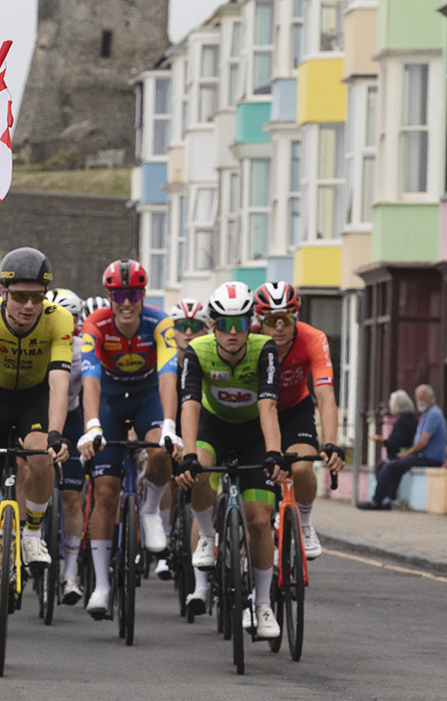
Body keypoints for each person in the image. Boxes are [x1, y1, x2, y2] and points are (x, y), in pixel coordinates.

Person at [175, 281, 286, 639]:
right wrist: (189, 455)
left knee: (258, 521)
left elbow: (268, 404)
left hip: (254, 432)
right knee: (200, 470)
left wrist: (273, 452)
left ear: (251, 323)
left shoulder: (264, 348)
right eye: (225, 324)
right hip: (214, 427)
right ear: (213, 326)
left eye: (240, 324)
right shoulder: (198, 351)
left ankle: (264, 603)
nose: (233, 333)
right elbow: (189, 404)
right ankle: (207, 535)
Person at [77, 259, 181, 618]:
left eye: (133, 294)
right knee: (105, 489)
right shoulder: (96, 324)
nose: (126, 302)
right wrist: (92, 425)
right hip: (108, 399)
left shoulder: (159, 322)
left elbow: (169, 372)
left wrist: (169, 424)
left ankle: (150, 509)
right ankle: (102, 586)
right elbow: (89, 378)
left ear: (143, 295)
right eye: (119, 294)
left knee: (160, 450)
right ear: (109, 295)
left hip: (147, 395)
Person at [0, 248, 71, 570]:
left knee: (40, 455)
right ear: (4, 293)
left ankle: (33, 534)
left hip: (33, 398)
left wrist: (56, 435)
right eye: (21, 296)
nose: (29, 306)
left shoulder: (58, 319)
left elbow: (59, 382)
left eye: (38, 297)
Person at [253, 281, 345, 560]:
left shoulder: (313, 338)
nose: (279, 326)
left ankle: (304, 522)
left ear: (296, 317)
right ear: (259, 321)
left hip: (295, 408)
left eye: (286, 318)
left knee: (303, 468)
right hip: (254, 413)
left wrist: (331, 443)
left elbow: (326, 395)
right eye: (271, 319)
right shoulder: (248, 340)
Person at [160, 299, 210, 600]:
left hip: (201, 428)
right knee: (165, 470)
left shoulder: (207, 358)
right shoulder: (166, 361)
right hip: (170, 425)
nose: (188, 333)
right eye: (182, 327)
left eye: (196, 327)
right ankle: (166, 540)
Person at [45, 288, 88, 605]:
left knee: (73, 496)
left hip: (73, 417)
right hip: (39, 417)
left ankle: (70, 574)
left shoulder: (83, 349)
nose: (66, 323)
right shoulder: (39, 341)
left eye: (72, 318)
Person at [359, 384, 447, 510]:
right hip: (422, 455)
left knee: (391, 466)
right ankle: (387, 499)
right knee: (393, 466)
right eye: (417, 397)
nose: (419, 400)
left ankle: (376, 501)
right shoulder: (426, 414)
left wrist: (408, 453)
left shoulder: (433, 414)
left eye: (422, 397)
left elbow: (423, 442)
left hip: (429, 457)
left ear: (431, 397)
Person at [371, 389, 419, 467]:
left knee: (379, 467)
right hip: (409, 456)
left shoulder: (401, 423)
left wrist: (380, 439)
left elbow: (394, 443)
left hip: (398, 459)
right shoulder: (414, 419)